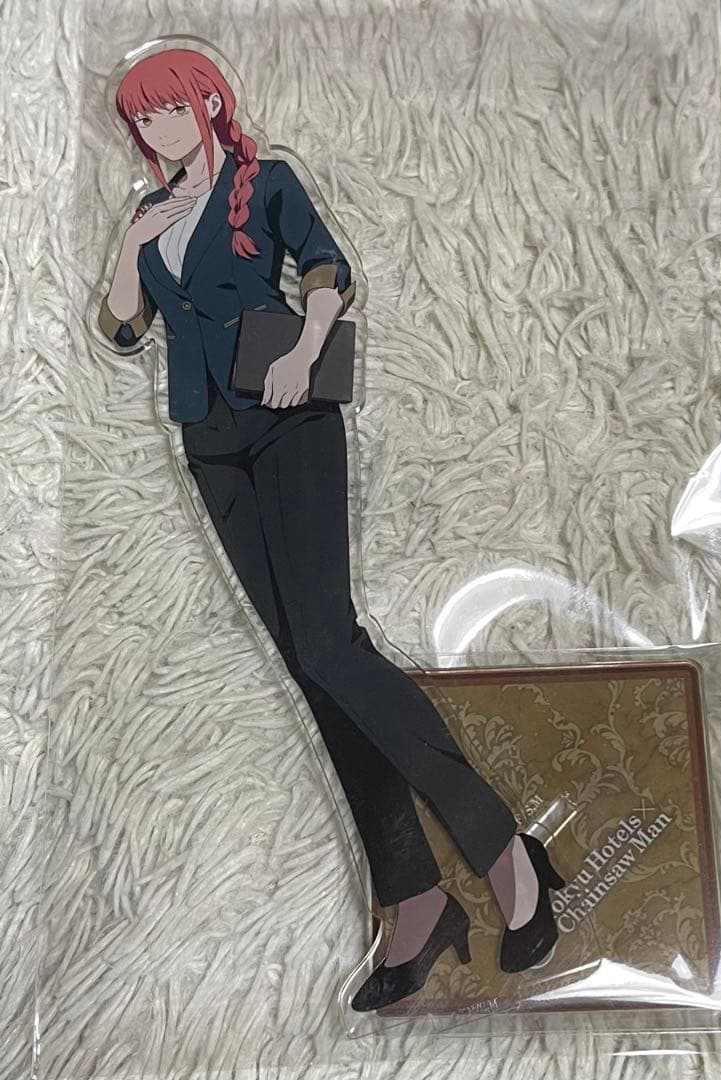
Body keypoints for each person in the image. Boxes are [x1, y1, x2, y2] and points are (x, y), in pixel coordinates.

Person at [98, 48, 564, 1011]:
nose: (157, 131)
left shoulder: (264, 181)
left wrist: (306, 347)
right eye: (142, 119)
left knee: (332, 646)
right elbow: (122, 332)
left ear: (210, 103)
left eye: (170, 110)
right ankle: (415, 896)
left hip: (290, 413)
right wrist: (128, 245)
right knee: (312, 670)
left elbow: (326, 270)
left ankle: (500, 846)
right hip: (208, 440)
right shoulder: (152, 214)